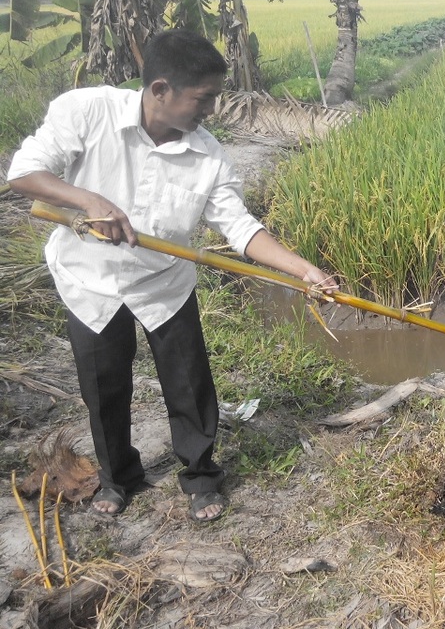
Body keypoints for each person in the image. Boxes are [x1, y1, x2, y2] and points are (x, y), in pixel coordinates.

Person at [6, 29, 338, 522]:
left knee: (188, 383)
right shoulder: (86, 111)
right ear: (160, 90)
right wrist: (89, 200)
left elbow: (241, 228)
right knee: (104, 387)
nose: (210, 111)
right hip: (89, 282)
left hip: (164, 282)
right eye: (203, 99)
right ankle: (119, 478)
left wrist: (304, 269)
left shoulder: (207, 155)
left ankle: (201, 476)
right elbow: (24, 173)